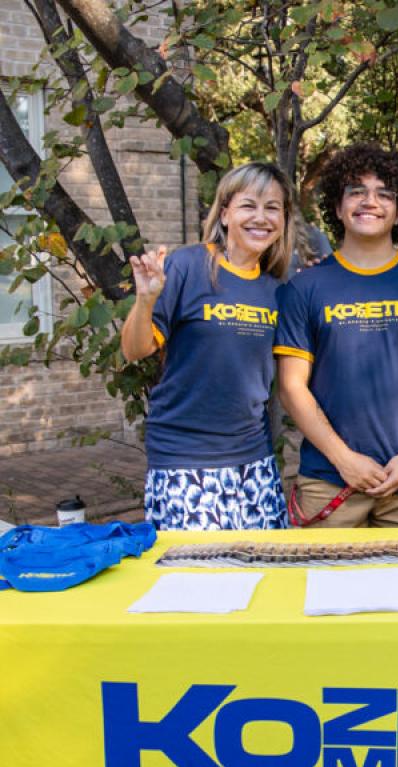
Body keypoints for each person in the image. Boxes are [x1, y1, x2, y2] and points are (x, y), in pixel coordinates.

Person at [275, 143, 398, 528]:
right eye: (356, 191)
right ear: (338, 207)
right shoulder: (306, 288)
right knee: (325, 589)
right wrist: (344, 459)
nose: (369, 201)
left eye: (384, 194)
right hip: (329, 482)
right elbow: (292, 388)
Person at [122, 161, 296, 530]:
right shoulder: (187, 266)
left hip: (253, 458)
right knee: (202, 580)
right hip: (186, 458)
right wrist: (146, 300)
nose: (261, 218)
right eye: (249, 205)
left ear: (284, 220)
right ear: (226, 212)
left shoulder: (277, 289)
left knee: (267, 573)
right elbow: (134, 350)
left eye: (272, 208)